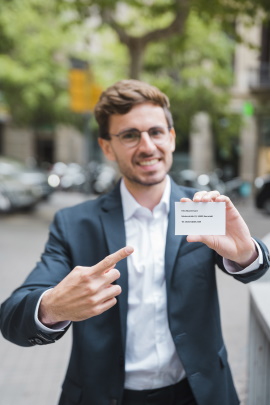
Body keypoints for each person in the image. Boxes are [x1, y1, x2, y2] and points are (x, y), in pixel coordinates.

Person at [0, 80, 269, 405]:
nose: (147, 146)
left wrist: (246, 255)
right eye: (130, 135)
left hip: (198, 394)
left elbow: (253, 270)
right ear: (107, 147)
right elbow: (12, 317)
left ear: (171, 138)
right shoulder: (74, 224)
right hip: (106, 397)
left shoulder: (200, 208)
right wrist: (53, 306)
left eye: (156, 132)